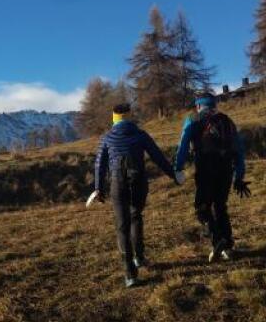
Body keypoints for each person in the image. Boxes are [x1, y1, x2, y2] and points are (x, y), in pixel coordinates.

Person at [92, 103, 181, 288]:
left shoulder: (107, 138)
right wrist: (173, 175)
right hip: (138, 181)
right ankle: (139, 258)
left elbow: (99, 165)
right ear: (129, 117)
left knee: (122, 226)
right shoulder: (140, 135)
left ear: (114, 118)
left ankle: (130, 274)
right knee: (136, 217)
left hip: (117, 183)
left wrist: (98, 189)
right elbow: (157, 156)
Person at [175, 92, 250, 263]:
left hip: (205, 169)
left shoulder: (193, 120)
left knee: (202, 207)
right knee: (221, 206)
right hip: (226, 169)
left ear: (199, 105)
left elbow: (183, 145)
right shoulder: (227, 120)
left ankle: (218, 239)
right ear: (214, 104)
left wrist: (178, 168)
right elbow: (239, 149)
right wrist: (239, 176)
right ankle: (228, 247)